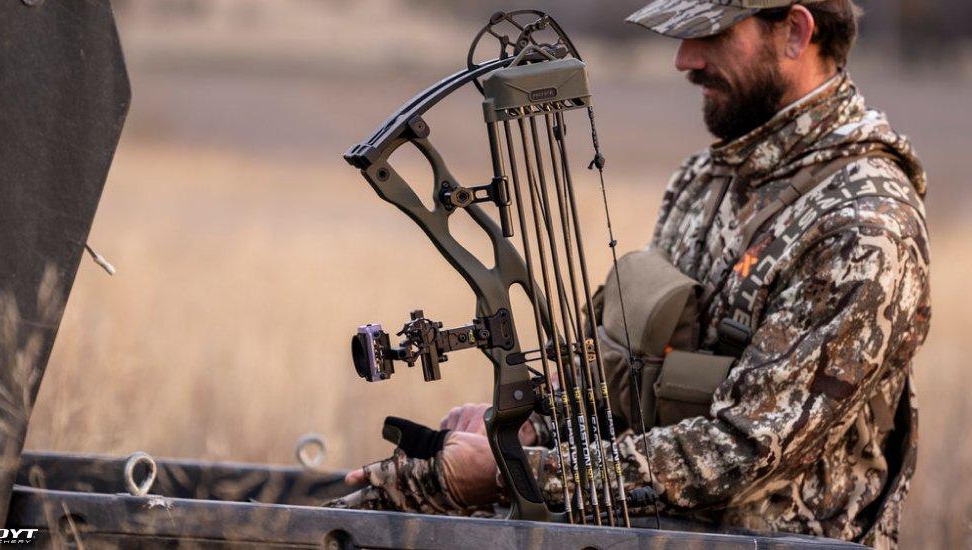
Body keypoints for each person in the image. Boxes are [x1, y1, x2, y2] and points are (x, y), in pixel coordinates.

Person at [333, 2, 930, 548]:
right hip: (649, 531)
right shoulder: (705, 179)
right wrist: (531, 425)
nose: (684, 59)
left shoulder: (862, 227)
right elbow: (633, 375)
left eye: (709, 34)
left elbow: (745, 449)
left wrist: (515, 473)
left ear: (797, 32)